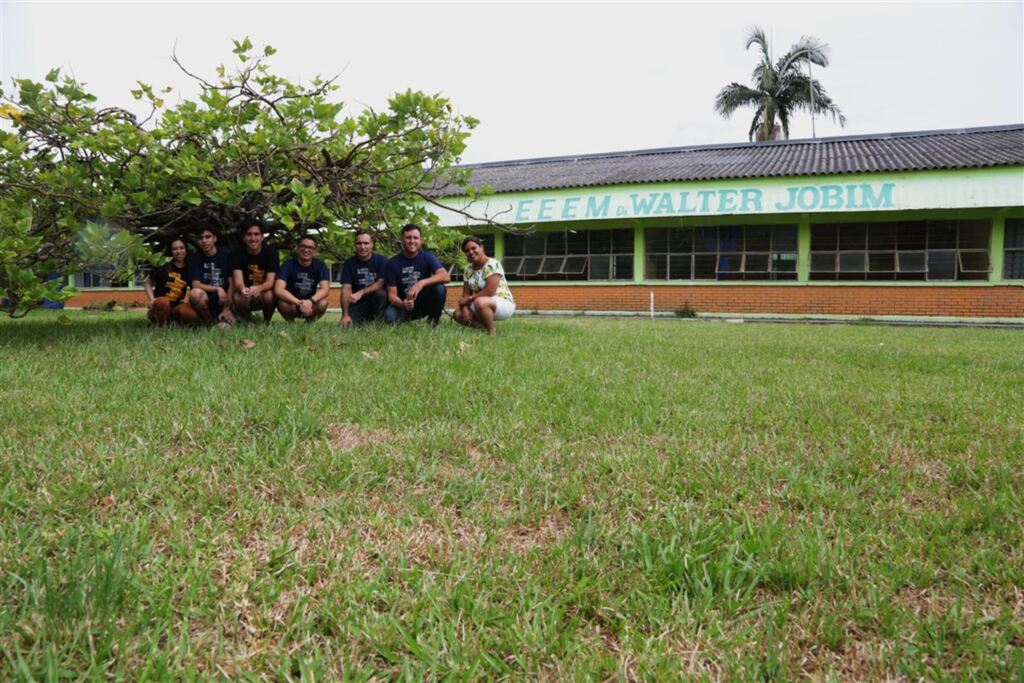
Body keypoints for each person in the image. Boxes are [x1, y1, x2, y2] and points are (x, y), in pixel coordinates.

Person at [384, 223, 450, 326]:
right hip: (403, 304)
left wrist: (421, 283)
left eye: (415, 238)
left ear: (420, 240)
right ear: (402, 240)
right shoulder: (392, 263)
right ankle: (404, 321)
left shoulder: (427, 257)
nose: (412, 241)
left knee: (440, 288)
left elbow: (445, 276)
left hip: (423, 302)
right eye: (408, 238)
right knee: (389, 318)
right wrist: (402, 304)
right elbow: (392, 295)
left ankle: (433, 321)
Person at [454, 236, 516, 335]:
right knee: (458, 314)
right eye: (467, 251)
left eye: (474, 248)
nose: (470, 252)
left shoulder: (492, 264)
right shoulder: (468, 270)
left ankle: (491, 332)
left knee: (480, 302)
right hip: (480, 303)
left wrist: (469, 299)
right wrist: (465, 309)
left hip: (502, 302)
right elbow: (465, 294)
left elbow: (490, 291)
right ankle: (483, 328)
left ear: (481, 247)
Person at [230, 221, 279, 323]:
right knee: (238, 297)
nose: (253, 238)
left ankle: (266, 322)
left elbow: (271, 281)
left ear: (262, 237)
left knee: (269, 295)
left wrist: (258, 288)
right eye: (249, 235)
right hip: (246, 292)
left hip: (263, 290)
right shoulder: (236, 253)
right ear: (243, 238)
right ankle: (249, 321)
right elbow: (238, 281)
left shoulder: (271, 252)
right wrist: (243, 289)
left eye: (256, 234)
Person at [274, 235, 331, 322]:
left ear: (315, 250)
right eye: (303, 246)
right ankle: (291, 324)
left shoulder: (320, 266)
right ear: (297, 248)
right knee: (282, 303)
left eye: (310, 247)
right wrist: (299, 303)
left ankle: (308, 324)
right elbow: (278, 290)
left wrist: (310, 301)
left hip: (311, 305)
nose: (306, 250)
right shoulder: (287, 265)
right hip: (291, 303)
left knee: (323, 303)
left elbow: (325, 289)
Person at [144, 237, 198, 325]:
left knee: (190, 314)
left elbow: (193, 287)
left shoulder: (189, 268)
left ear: (186, 249)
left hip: (176, 306)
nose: (179, 251)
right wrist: (151, 299)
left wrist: (188, 301)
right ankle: (160, 323)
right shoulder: (163, 265)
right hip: (160, 304)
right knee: (164, 302)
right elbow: (147, 283)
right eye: (175, 249)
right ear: (171, 251)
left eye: (181, 248)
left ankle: (172, 321)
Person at [339, 229, 388, 327]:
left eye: (366, 243)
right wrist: (345, 315)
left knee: (381, 294)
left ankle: (379, 322)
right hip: (358, 304)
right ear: (355, 245)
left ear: (372, 244)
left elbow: (381, 283)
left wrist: (361, 292)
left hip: (377, 301)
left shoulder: (382, 260)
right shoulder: (349, 264)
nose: (362, 247)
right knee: (348, 327)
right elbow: (346, 289)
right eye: (359, 243)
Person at [187, 228, 235, 326]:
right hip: (207, 298)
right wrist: (217, 288)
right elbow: (196, 285)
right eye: (200, 238)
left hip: (226, 298)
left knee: (227, 327)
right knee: (194, 294)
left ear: (215, 238)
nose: (204, 241)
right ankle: (209, 323)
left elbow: (232, 282)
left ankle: (231, 315)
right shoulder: (195, 258)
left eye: (207, 237)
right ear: (197, 241)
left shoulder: (227, 254)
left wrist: (227, 308)